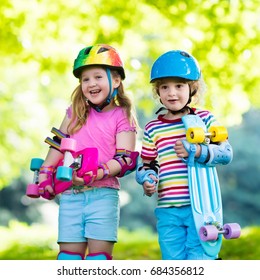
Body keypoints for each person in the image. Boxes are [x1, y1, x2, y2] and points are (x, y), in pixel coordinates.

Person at [38, 44, 138, 260]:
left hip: (102, 196)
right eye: (85, 79)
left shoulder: (123, 115)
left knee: (98, 260)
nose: (91, 83)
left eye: (98, 77)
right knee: (67, 260)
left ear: (117, 81)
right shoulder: (75, 112)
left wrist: (98, 172)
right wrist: (46, 172)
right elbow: (59, 142)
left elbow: (125, 159)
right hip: (71, 195)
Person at [135, 50, 233, 260]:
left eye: (179, 86)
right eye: (164, 87)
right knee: (172, 261)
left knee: (200, 258)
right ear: (157, 92)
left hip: (200, 207)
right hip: (167, 208)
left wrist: (199, 151)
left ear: (192, 88)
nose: (171, 93)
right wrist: (148, 179)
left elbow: (226, 153)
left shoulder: (205, 118)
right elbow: (147, 164)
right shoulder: (153, 128)